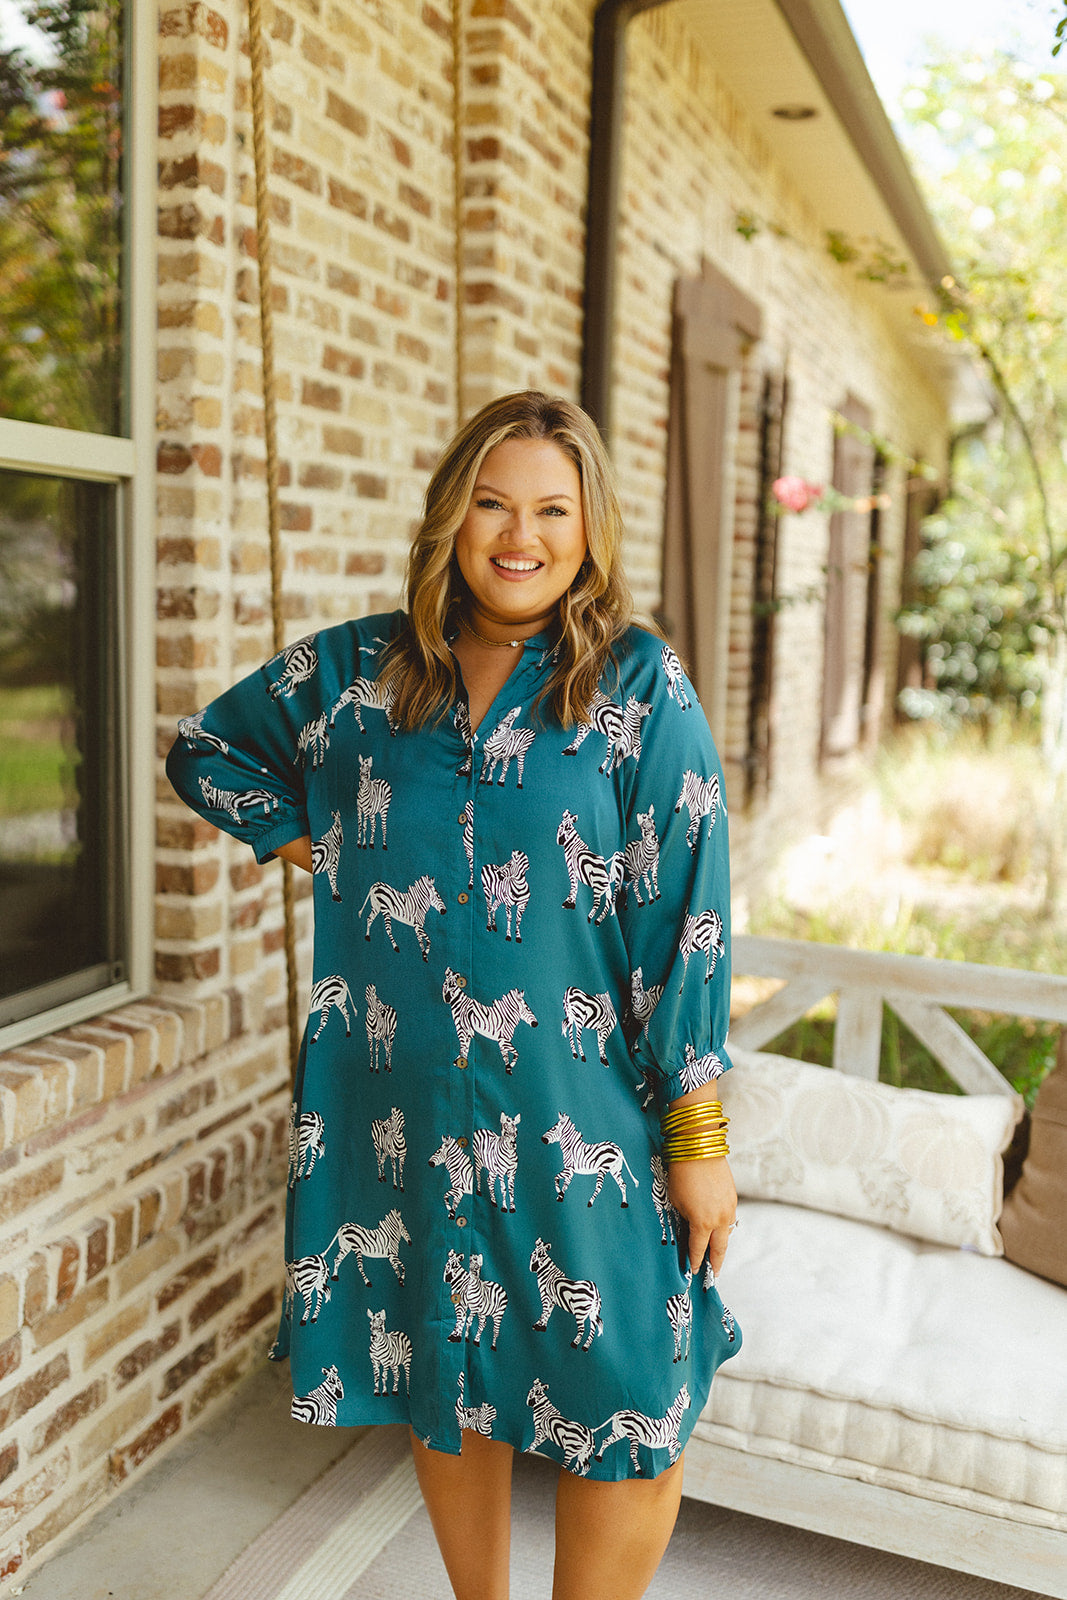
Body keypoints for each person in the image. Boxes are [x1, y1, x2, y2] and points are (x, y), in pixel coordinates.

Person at [166, 390, 739, 1600]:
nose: (516, 535)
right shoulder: (355, 672)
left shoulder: (635, 683)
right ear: (448, 514)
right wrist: (298, 838)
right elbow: (203, 748)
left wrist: (696, 1132)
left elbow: (682, 916)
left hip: (577, 1110)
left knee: (630, 1393)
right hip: (401, 1105)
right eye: (490, 502)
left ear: (589, 528)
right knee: (453, 1375)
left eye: (548, 508)